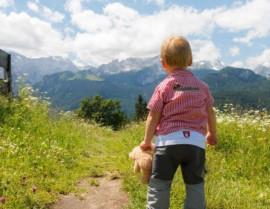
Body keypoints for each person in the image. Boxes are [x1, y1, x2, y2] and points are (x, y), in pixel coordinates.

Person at [140, 36, 217, 209]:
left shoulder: (164, 86)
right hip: (195, 144)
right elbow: (210, 112)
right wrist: (212, 133)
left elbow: (153, 116)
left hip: (168, 144)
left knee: (159, 186)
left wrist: (146, 142)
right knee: (195, 186)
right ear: (190, 60)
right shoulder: (202, 86)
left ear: (163, 62)